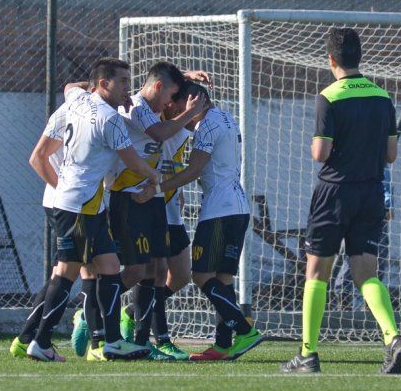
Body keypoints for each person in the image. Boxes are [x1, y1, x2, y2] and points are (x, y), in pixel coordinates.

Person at [279, 28, 401, 374]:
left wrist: (318, 147)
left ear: (330, 60)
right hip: (371, 192)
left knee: (317, 272)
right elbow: (391, 154)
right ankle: (393, 337)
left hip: (335, 192)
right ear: (359, 57)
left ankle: (307, 354)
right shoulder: (383, 97)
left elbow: (320, 153)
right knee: (365, 272)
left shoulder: (329, 96)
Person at [25, 57, 159, 362]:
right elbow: (134, 162)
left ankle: (111, 341)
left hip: (87, 205)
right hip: (82, 206)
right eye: (123, 81)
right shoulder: (109, 119)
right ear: (103, 83)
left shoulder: (77, 99)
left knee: (110, 267)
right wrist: (156, 177)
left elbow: (71, 86)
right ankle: (41, 342)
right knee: (67, 274)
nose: (129, 88)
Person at [133, 82, 264, 362]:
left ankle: (244, 330)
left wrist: (158, 187)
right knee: (223, 279)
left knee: (201, 276)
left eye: (181, 105)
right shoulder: (228, 118)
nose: (178, 111)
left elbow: (194, 170)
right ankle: (222, 345)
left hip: (218, 211)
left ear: (195, 101)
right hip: (238, 207)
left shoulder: (207, 126)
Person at [106, 62, 206, 360]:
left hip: (155, 199)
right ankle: (98, 313)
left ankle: (143, 336)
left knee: (163, 271)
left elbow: (163, 154)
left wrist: (184, 78)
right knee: (140, 270)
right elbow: (159, 133)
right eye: (176, 98)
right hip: (129, 198)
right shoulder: (139, 109)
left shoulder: (169, 119)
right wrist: (189, 109)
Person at [9, 83, 103, 358]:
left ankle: (27, 337)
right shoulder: (82, 111)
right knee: (82, 270)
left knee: (63, 271)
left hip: (64, 203)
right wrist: (63, 191)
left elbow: (70, 85)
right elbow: (37, 158)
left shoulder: (76, 101)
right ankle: (88, 333)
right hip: (70, 204)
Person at [332, 165, 393, 311]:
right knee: (350, 256)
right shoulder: (352, 161)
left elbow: (386, 188)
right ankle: (343, 299)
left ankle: (371, 302)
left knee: (378, 256)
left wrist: (388, 206)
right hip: (354, 213)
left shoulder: (381, 166)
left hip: (376, 214)